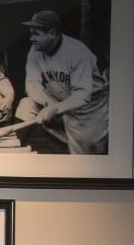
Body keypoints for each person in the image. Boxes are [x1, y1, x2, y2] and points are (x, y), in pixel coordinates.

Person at [14, 10, 109, 154]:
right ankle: (14, 150)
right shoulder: (35, 50)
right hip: (58, 100)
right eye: (31, 33)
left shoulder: (77, 52)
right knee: (26, 105)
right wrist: (49, 104)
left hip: (89, 110)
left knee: (84, 159)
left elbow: (83, 95)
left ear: (52, 33)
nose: (31, 39)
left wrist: (56, 109)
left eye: (36, 34)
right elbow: (32, 84)